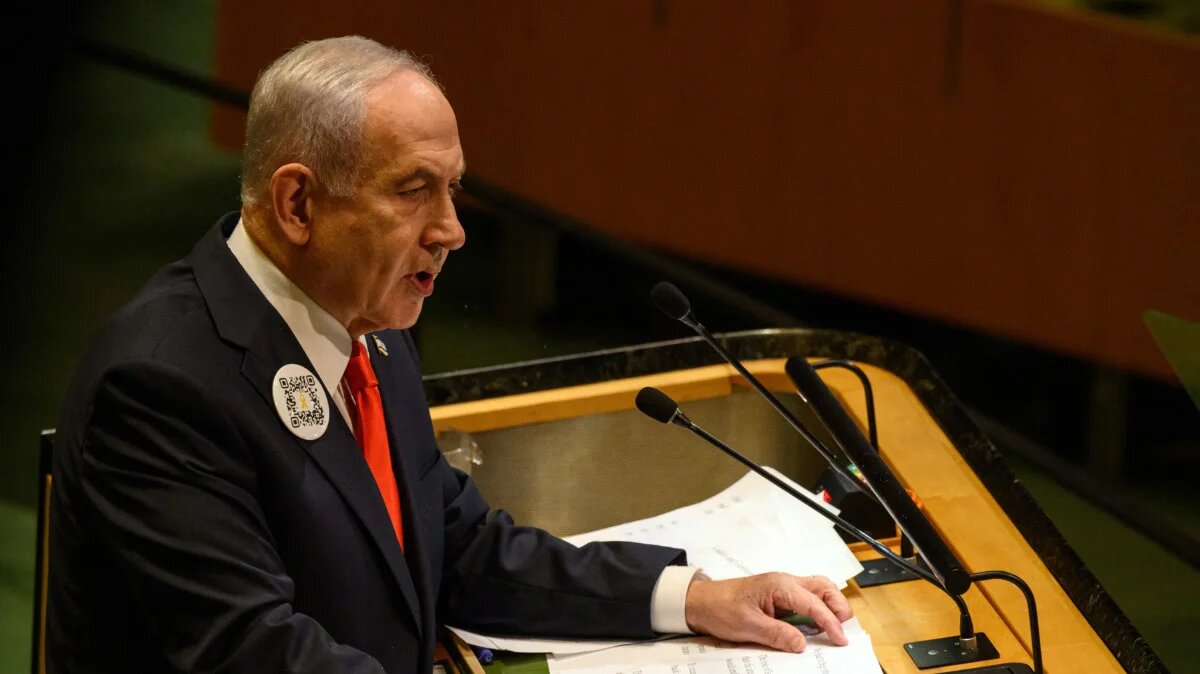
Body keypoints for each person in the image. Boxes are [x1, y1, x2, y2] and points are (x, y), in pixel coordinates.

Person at [47, 36, 852, 673]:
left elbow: (456, 546)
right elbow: (253, 650)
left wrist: (695, 597)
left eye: (453, 189)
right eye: (412, 190)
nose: (451, 229)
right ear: (298, 203)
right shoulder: (160, 385)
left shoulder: (370, 324)